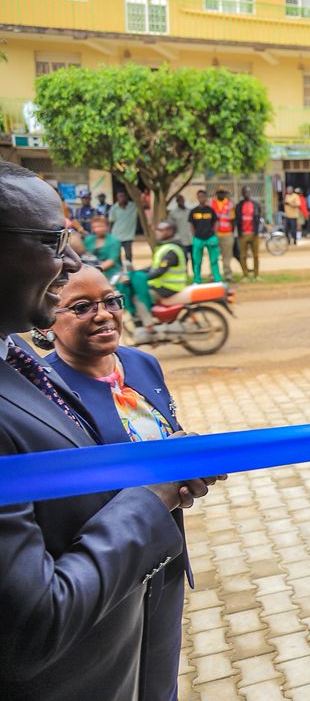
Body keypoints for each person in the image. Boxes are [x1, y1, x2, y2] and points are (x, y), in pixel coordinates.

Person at [0, 160, 218, 699]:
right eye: (54, 240)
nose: (70, 260)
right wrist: (152, 494)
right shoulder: (39, 374)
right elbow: (33, 620)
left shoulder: (26, 364)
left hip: (138, 601)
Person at [41, 263, 208, 701]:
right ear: (47, 323)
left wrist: (184, 462)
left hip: (163, 553)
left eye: (111, 301)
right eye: (81, 307)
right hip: (102, 570)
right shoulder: (40, 393)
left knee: (159, 678)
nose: (104, 314)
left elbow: (163, 436)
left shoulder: (141, 364)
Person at [188, 190, 221, 285]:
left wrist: (214, 233)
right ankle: (197, 280)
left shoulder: (210, 210)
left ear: (206, 197)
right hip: (198, 239)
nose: (202, 198)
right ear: (197, 198)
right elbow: (191, 224)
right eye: (200, 196)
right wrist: (194, 235)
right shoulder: (193, 211)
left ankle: (217, 279)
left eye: (203, 196)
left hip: (210, 238)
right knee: (197, 261)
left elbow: (215, 222)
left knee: (214, 260)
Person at [235, 187, 263, 282]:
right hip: (243, 234)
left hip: (254, 234)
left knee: (256, 255)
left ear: (250, 193)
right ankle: (245, 275)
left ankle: (256, 275)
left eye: (248, 192)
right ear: (242, 194)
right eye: (244, 192)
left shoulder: (255, 205)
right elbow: (237, 220)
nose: (246, 193)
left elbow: (258, 217)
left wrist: (257, 231)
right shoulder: (239, 206)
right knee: (243, 256)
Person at [210, 189, 235, 281]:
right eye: (219, 192)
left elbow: (233, 220)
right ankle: (213, 275)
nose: (221, 194)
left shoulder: (230, 204)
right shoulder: (212, 204)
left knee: (227, 256)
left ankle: (228, 275)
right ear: (216, 194)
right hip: (214, 234)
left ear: (225, 194)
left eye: (222, 193)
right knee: (213, 255)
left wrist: (232, 232)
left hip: (227, 234)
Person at [108, 189, 139, 264]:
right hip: (116, 235)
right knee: (117, 255)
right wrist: (109, 235)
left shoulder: (133, 206)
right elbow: (111, 222)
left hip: (128, 236)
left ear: (126, 197)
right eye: (119, 197)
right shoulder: (114, 208)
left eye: (123, 196)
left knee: (128, 255)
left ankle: (129, 271)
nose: (121, 198)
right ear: (117, 198)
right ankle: (120, 271)